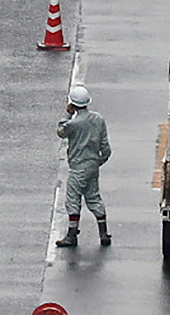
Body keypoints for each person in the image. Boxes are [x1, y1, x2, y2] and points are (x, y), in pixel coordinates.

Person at [56, 85, 111, 249]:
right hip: (93, 165)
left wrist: (67, 113)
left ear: (72, 104)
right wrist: (97, 162)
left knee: (73, 199)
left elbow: (60, 131)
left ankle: (72, 235)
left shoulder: (73, 124)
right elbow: (106, 148)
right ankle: (103, 233)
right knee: (94, 198)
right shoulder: (98, 119)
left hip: (78, 167)